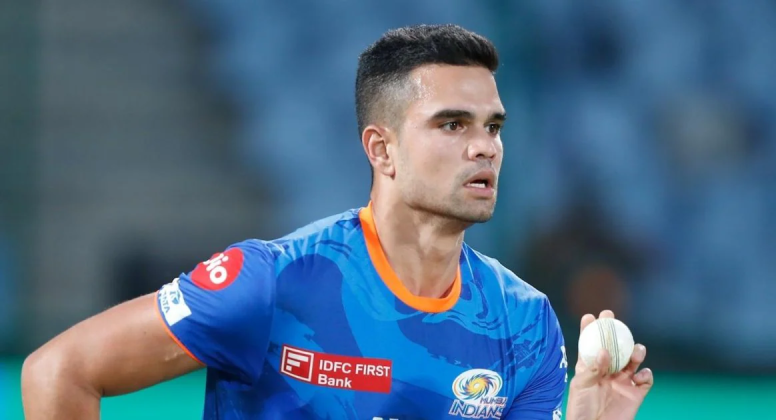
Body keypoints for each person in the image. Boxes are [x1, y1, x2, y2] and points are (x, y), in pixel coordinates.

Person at [21, 24, 653, 420]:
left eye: (493, 126)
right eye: (452, 124)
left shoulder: (524, 322)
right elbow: (59, 372)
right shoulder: (269, 282)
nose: (485, 147)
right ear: (381, 150)